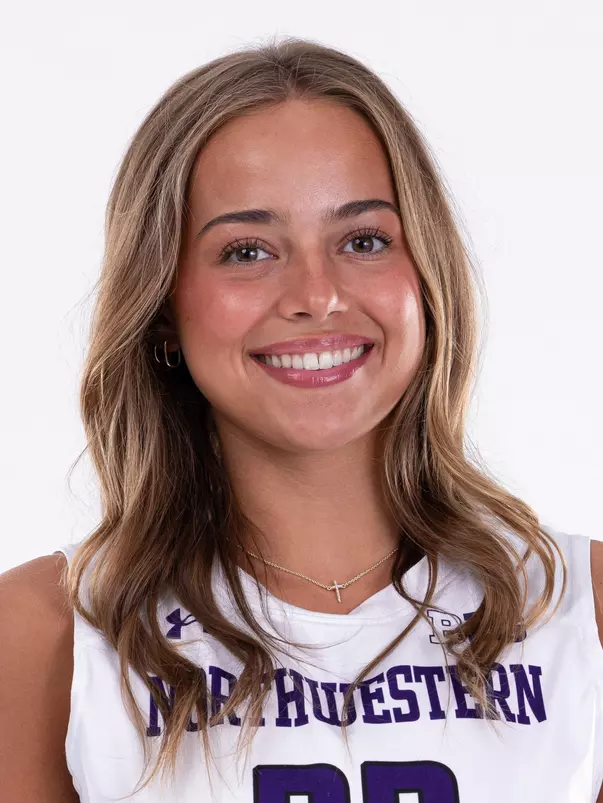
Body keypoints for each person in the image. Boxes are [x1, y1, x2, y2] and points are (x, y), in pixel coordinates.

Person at [1, 36, 602, 803]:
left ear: (426, 276)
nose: (316, 295)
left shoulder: (581, 611)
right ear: (162, 305)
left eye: (363, 240)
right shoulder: (45, 635)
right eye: (247, 250)